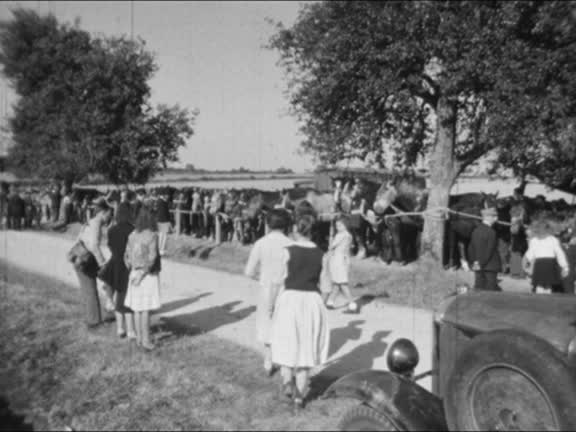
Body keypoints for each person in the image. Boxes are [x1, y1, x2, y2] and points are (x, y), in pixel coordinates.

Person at [270, 213, 330, 413]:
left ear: (296, 229)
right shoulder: (322, 255)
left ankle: (288, 381)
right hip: (312, 300)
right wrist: (319, 304)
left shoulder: (287, 251)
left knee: (287, 341)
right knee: (306, 348)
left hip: (290, 299)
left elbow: (278, 280)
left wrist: (274, 303)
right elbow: (327, 287)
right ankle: (299, 398)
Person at [244, 209, 293, 376]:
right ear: (286, 225)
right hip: (286, 288)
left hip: (267, 287)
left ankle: (268, 360)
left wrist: (262, 278)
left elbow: (249, 271)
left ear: (267, 224)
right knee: (284, 323)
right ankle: (285, 363)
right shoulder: (291, 244)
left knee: (267, 323)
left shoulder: (261, 243)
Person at [124, 205, 162, 351]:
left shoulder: (132, 234)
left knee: (137, 308)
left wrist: (134, 270)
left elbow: (127, 256)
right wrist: (142, 273)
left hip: (134, 272)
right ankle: (146, 341)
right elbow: (152, 258)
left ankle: (139, 339)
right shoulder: (152, 235)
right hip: (147, 275)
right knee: (145, 309)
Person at [73, 198, 113, 329]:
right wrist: (102, 262)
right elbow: (94, 245)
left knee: (89, 288)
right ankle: (94, 322)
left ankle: (94, 317)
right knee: (90, 289)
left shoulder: (90, 221)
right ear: (103, 212)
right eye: (109, 214)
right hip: (86, 259)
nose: (109, 217)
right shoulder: (96, 223)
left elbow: (78, 239)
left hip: (80, 256)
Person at [99, 203, 136, 339]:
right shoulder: (133, 230)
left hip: (114, 263)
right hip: (127, 265)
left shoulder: (111, 229)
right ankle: (131, 330)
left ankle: (120, 329)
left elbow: (110, 245)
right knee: (127, 298)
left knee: (117, 298)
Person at [522, 218, 569, 294]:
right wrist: (565, 267)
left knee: (540, 286)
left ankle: (541, 299)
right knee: (546, 286)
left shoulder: (535, 240)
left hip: (541, 264)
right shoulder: (552, 239)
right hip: (548, 264)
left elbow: (528, 256)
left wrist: (526, 268)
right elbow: (560, 254)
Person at [326, 216, 358, 313]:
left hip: (338, 260)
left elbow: (331, 246)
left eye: (340, 225)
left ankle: (352, 305)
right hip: (344, 259)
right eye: (336, 225)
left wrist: (330, 239)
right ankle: (330, 302)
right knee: (337, 282)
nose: (337, 227)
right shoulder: (349, 235)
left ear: (346, 225)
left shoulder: (341, 235)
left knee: (342, 283)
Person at [468, 207, 502, 291]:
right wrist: (481, 263)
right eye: (494, 216)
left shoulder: (475, 230)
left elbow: (471, 248)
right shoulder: (491, 232)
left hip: (477, 265)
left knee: (478, 288)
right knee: (490, 291)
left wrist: (474, 262)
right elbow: (489, 251)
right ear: (488, 217)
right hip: (490, 266)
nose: (496, 218)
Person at [155, 191, 171, 256]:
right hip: (164, 221)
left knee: (161, 235)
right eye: (167, 195)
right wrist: (168, 221)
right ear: (164, 195)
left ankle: (159, 249)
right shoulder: (163, 202)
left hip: (159, 220)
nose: (168, 196)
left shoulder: (158, 201)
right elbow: (165, 213)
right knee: (164, 236)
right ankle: (161, 250)